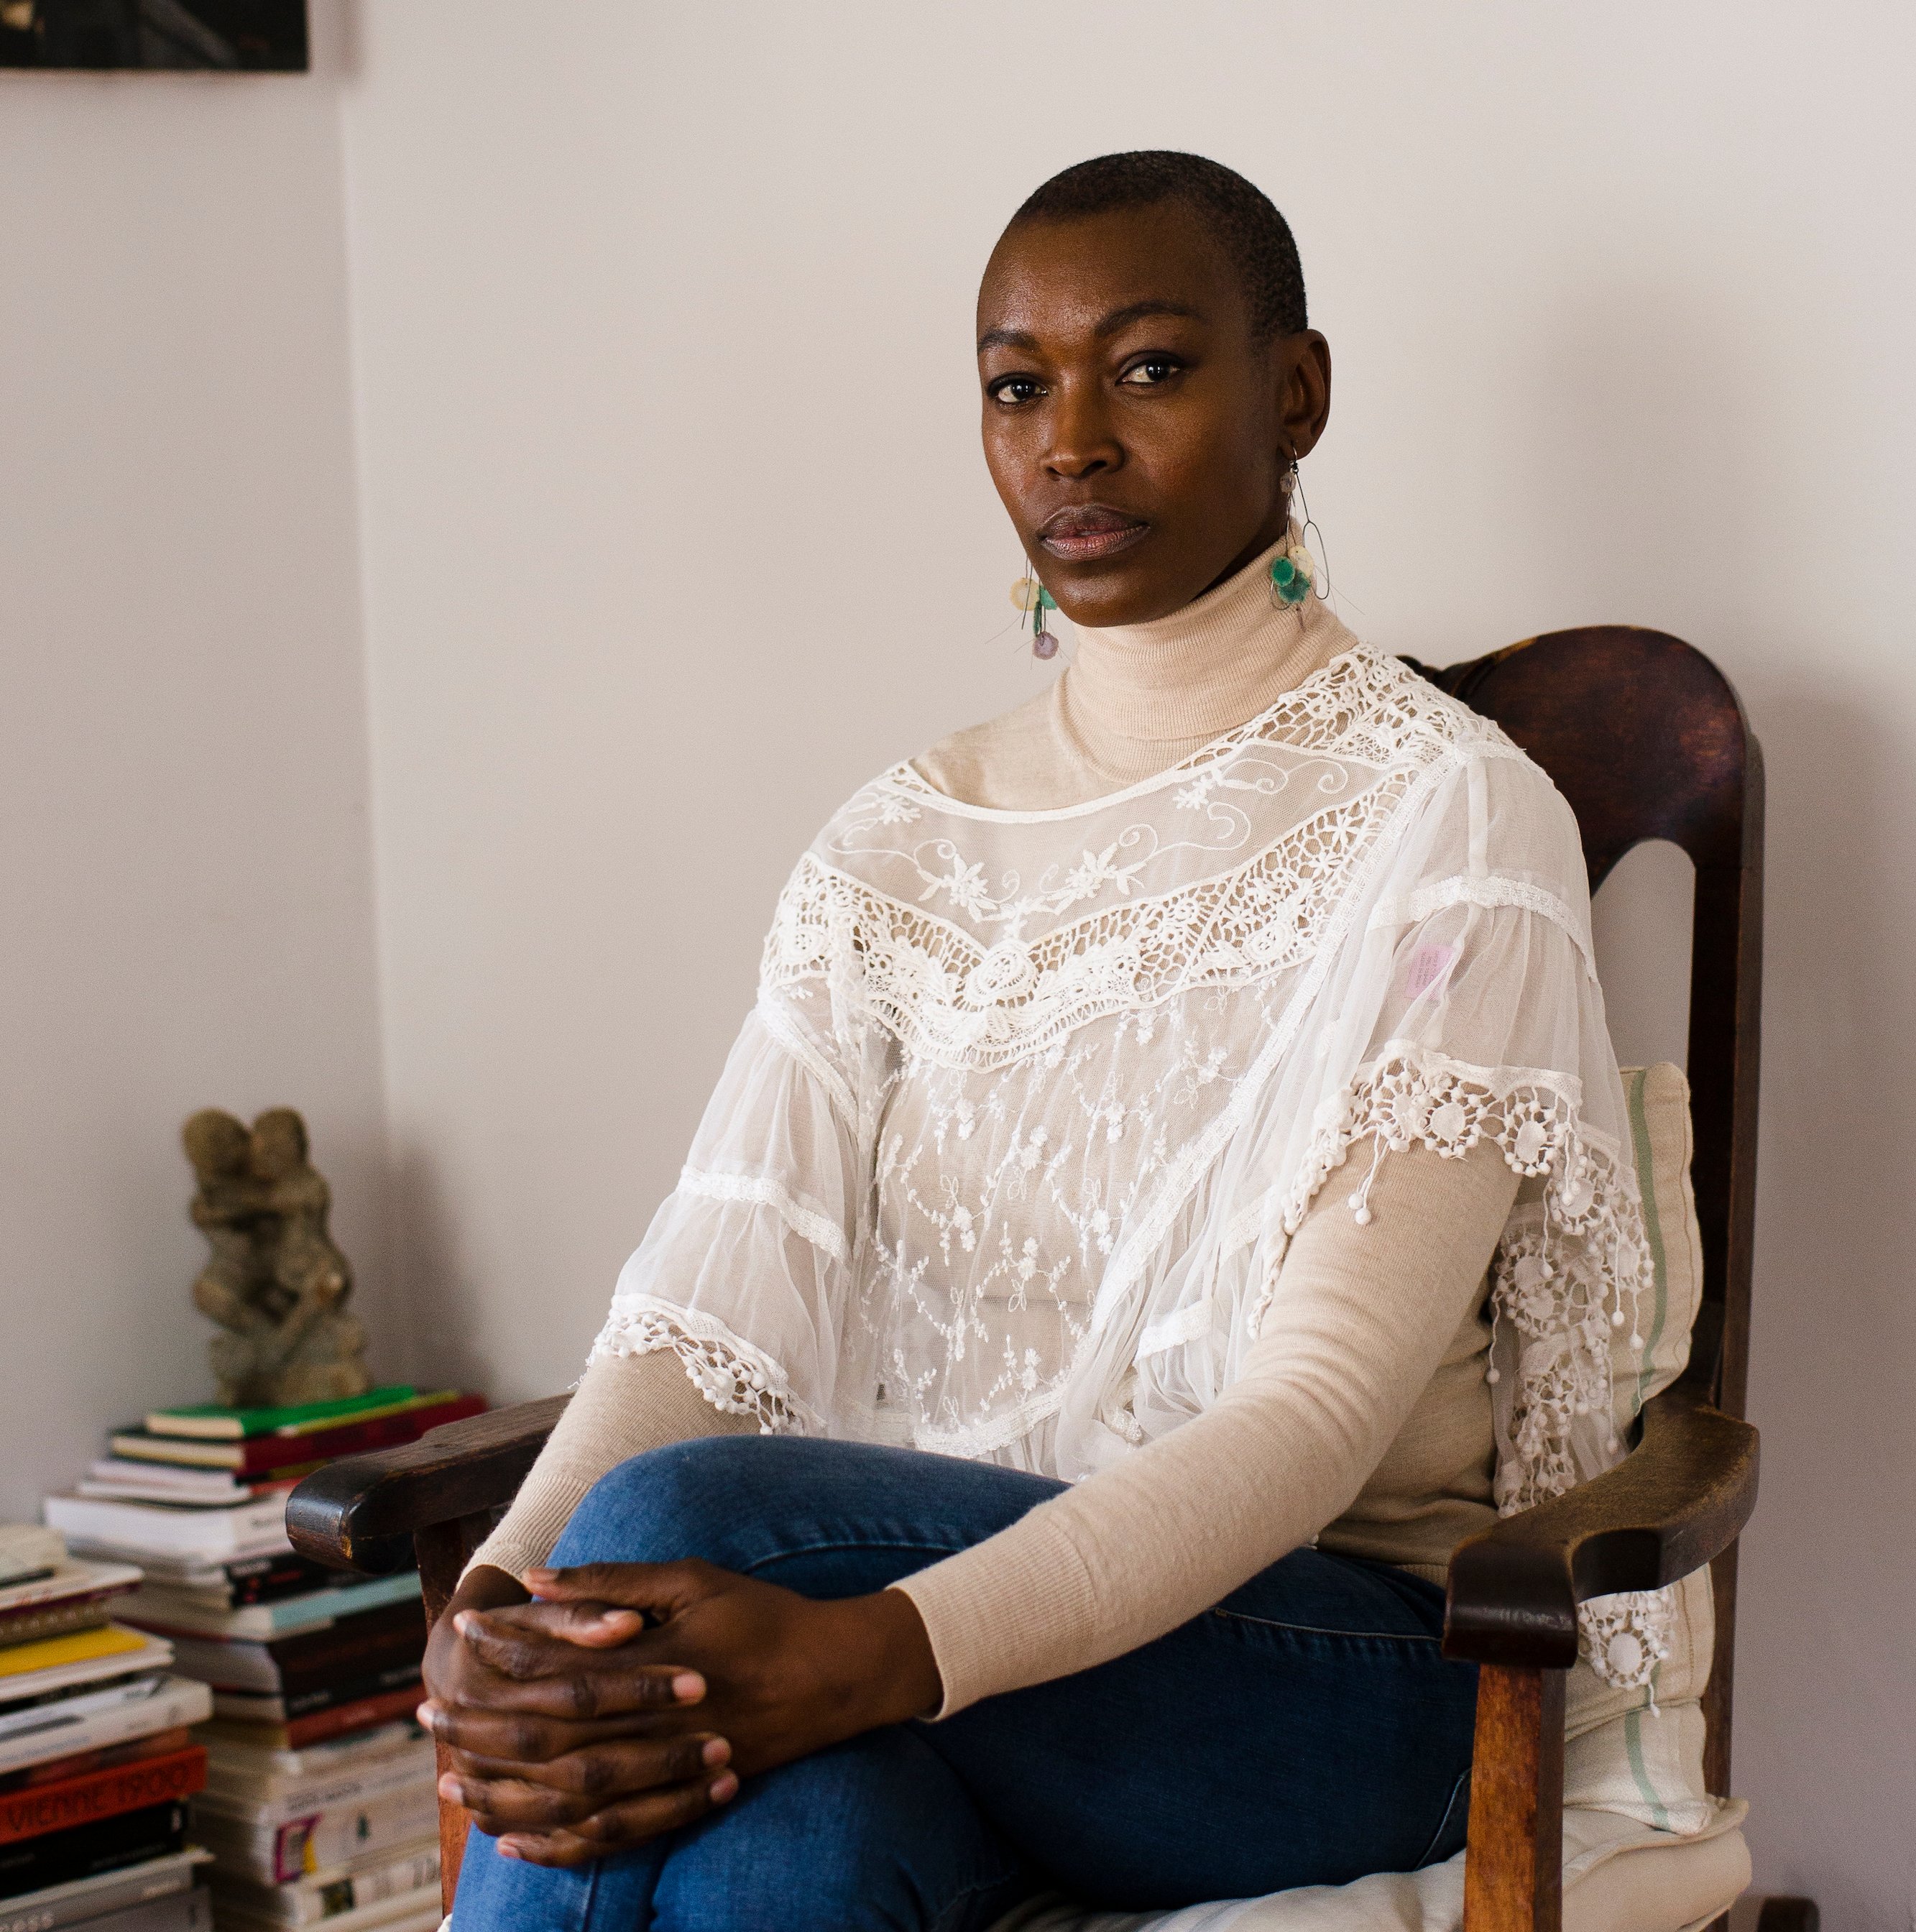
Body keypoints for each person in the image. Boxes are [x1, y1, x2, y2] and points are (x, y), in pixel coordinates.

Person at [429, 150, 1644, 1932]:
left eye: (1147, 368)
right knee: (785, 1843)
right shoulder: (895, 845)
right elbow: (704, 1318)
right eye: (1017, 387)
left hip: (1329, 1679)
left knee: (689, 1526)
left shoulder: (1450, 819)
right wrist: (493, 1615)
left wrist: (867, 1657)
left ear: (1292, 392)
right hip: (966, 1686)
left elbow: (1308, 1421)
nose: (1070, 439)